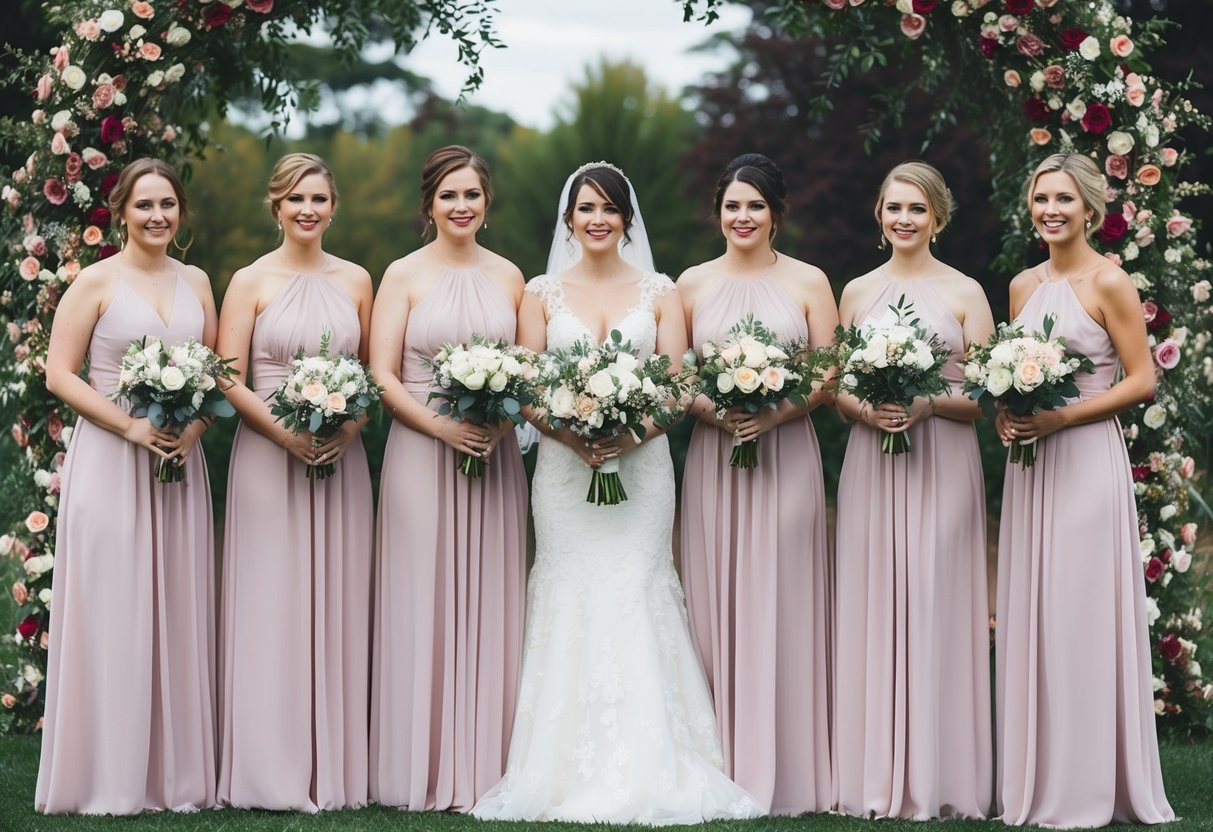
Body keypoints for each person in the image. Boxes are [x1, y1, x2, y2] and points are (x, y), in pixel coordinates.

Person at [472, 162, 762, 824]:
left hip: (643, 467)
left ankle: (655, 759)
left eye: (608, 208)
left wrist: (629, 435)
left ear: (626, 220)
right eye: (585, 208)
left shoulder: (661, 291)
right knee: (568, 590)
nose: (596, 218)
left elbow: (678, 386)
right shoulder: (539, 292)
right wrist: (571, 436)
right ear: (568, 219)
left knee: (637, 589)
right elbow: (526, 385)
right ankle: (556, 766)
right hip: (564, 471)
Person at [994, 153, 1174, 827]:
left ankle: (1086, 783)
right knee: (1037, 614)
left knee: (1078, 615)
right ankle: (1037, 781)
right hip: (1031, 469)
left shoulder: (1109, 281)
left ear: (1089, 209)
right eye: (1041, 198)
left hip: (1085, 460)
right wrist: (1010, 416)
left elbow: (1138, 380)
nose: (1049, 210)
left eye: (1063, 199)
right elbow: (1014, 374)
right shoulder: (1020, 285)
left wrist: (1058, 419)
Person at [36, 158, 219, 814]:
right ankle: (107, 777)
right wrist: (133, 430)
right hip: (113, 461)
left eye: (168, 204)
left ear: (181, 212)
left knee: (176, 605)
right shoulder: (95, 281)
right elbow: (61, 373)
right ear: (120, 212)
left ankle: (176, 779)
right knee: (116, 611)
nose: (158, 216)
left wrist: (193, 430)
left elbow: (214, 370)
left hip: (179, 464)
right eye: (144, 206)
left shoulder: (197, 281)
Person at [831, 161, 995, 819]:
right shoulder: (855, 292)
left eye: (916, 210)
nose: (904, 220)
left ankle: (942, 776)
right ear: (879, 214)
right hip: (873, 464)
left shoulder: (965, 293)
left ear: (937, 218)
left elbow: (984, 392)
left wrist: (927, 402)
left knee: (935, 602)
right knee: (874, 605)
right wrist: (866, 411)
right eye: (894, 208)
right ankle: (872, 775)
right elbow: (837, 387)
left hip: (943, 464)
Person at [677, 153, 837, 815]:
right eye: (732, 205)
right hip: (715, 459)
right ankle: (717, 765)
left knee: (784, 599)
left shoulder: (808, 281)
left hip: (787, 456)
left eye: (755, 206)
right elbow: (675, 373)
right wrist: (719, 413)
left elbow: (827, 373)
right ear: (718, 212)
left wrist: (772, 413)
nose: (741, 217)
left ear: (776, 214)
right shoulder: (688, 284)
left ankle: (792, 769)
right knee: (714, 604)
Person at [368, 145, 527, 811]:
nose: (461, 206)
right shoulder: (401, 275)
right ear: (428, 205)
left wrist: (495, 422)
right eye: (449, 195)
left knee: (494, 600)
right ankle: (419, 766)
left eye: (472, 195)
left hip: (493, 459)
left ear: (486, 206)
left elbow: (527, 366)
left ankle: (490, 765)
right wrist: (439, 429)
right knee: (420, 597)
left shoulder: (512, 276)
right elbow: (381, 372)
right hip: (420, 453)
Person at [215, 153, 373, 810]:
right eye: (295, 199)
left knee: (338, 604)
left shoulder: (359, 280)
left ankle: (332, 769)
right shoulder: (249, 281)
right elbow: (226, 373)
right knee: (269, 605)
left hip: (341, 460)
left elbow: (371, 372)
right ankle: (264, 770)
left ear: (333, 207)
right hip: (265, 457)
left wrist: (346, 429)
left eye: (319, 199)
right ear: (276, 207)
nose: (307, 210)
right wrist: (282, 433)